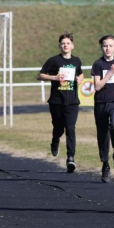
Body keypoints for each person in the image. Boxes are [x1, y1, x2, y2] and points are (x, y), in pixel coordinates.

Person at [36, 33, 84, 173]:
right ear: (59, 46)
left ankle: (70, 158)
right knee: (58, 127)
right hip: (57, 101)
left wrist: (79, 79)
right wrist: (54, 77)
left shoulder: (76, 61)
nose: (65, 45)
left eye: (68, 43)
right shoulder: (53, 61)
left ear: (72, 46)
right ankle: (55, 140)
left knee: (70, 128)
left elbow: (80, 73)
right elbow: (40, 75)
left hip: (72, 102)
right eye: (63, 43)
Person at [91, 35, 114, 183]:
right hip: (101, 102)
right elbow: (97, 86)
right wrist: (110, 73)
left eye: (110, 45)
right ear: (102, 48)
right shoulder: (98, 64)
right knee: (103, 135)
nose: (108, 48)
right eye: (105, 46)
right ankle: (105, 164)